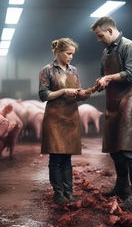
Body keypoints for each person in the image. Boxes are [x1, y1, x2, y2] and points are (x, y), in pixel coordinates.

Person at [91, 16, 132, 210]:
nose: (99, 39)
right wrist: (99, 82)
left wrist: (109, 78)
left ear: (110, 31)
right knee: (115, 148)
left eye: (100, 35)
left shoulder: (129, 47)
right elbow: (104, 74)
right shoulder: (106, 51)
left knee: (130, 149)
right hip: (112, 102)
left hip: (129, 101)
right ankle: (121, 187)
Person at [39, 37, 89, 205]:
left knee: (67, 158)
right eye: (68, 53)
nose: (71, 57)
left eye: (72, 54)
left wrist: (84, 94)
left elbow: (77, 92)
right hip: (54, 117)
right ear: (58, 52)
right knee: (55, 158)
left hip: (71, 117)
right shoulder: (47, 70)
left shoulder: (74, 70)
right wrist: (63, 91)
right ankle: (58, 193)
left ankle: (69, 192)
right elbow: (43, 95)